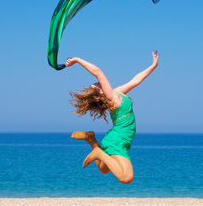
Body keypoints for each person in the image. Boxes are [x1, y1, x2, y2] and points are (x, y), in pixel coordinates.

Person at [65, 50, 159, 184]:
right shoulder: (111, 98)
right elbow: (97, 71)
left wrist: (153, 66)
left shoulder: (117, 93)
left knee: (103, 169)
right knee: (126, 178)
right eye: (96, 85)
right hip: (118, 139)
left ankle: (91, 139)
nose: (97, 82)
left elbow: (136, 80)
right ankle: (98, 152)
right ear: (101, 92)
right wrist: (77, 59)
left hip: (118, 138)